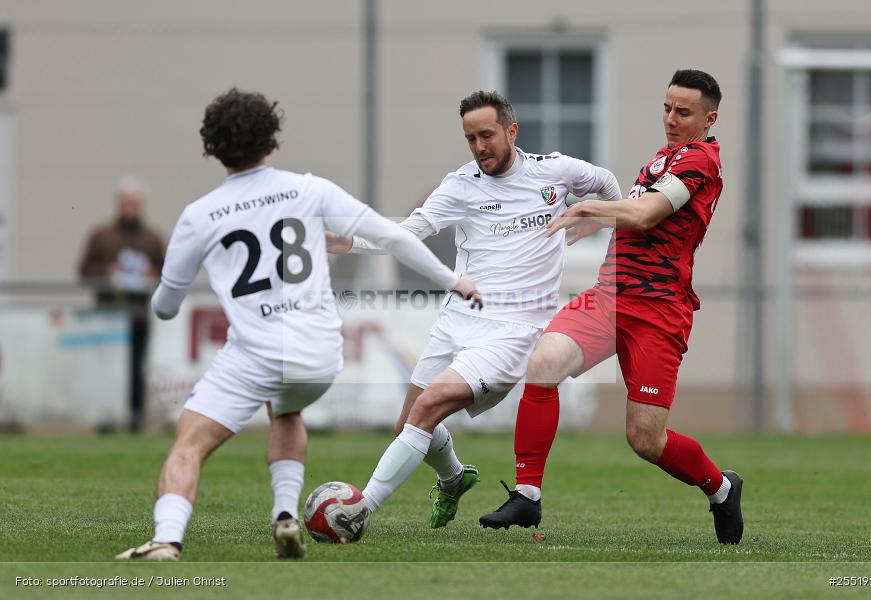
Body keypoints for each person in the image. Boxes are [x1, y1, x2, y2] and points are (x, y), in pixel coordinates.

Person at [116, 88, 481, 561]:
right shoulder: (309, 189)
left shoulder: (199, 215)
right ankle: (285, 516)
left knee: (189, 444)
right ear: (271, 140)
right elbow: (392, 236)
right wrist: (454, 280)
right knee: (285, 410)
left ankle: (167, 539)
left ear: (212, 146)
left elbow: (165, 305)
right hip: (319, 355)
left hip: (257, 351)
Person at [327, 90, 620, 528]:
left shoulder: (555, 172)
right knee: (407, 424)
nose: (480, 147)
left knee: (426, 410)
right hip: (456, 322)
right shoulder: (461, 184)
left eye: (487, 135)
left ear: (511, 131)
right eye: (470, 138)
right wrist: (353, 239)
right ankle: (453, 477)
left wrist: (601, 218)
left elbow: (608, 182)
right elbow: (414, 230)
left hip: (513, 331)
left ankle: (357, 510)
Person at [479, 69, 744, 545]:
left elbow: (645, 213)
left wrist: (589, 209)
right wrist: (601, 222)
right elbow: (641, 220)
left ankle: (721, 488)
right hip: (608, 297)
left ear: (710, 118)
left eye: (683, 112)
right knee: (543, 363)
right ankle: (526, 495)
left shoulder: (701, 160)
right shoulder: (664, 158)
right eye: (666, 107)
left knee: (646, 439)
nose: (670, 118)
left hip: (658, 310)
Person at [79, 178, 165, 432]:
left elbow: (168, 272)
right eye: (127, 202)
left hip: (139, 316)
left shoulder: (152, 239)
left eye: (135, 203)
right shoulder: (101, 235)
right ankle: (104, 418)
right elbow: (84, 270)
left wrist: (151, 274)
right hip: (106, 316)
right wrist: (108, 272)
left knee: (137, 369)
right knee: (105, 370)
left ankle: (134, 419)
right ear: (119, 204)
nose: (131, 208)